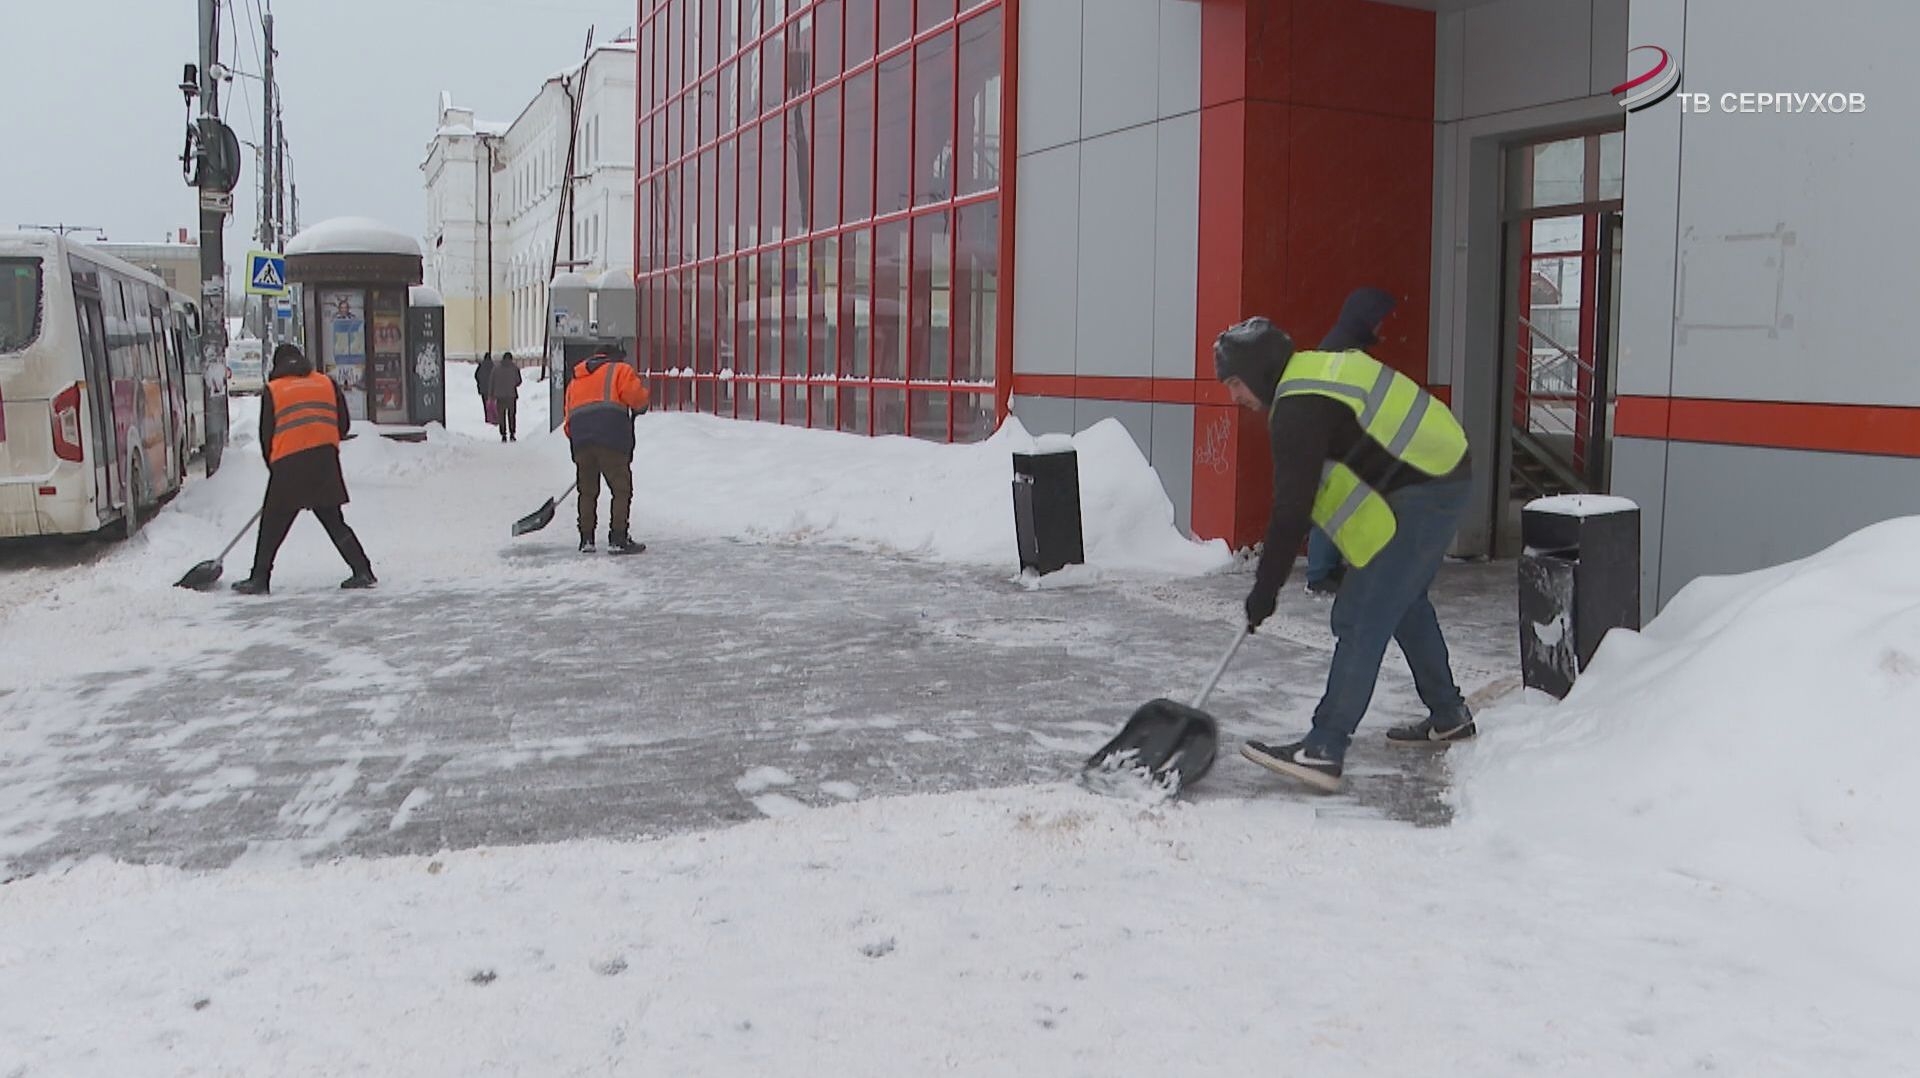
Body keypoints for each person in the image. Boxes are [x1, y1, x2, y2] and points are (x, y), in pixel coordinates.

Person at [1213, 316, 1474, 792]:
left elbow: (1290, 511)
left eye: (1234, 383)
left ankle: (1325, 747)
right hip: (1438, 470)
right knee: (1404, 602)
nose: (1234, 397)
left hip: (1428, 484)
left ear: (1257, 371)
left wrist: (1264, 593)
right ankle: (1449, 714)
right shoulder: (1309, 376)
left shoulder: (1298, 406)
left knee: (1362, 613)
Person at [231, 344, 376, 595]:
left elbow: (267, 435)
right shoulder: (325, 383)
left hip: (288, 466)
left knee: (272, 525)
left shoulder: (274, 390)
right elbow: (343, 424)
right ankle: (362, 569)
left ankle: (259, 579)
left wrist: (274, 469)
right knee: (334, 521)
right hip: (324, 463)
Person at [1306, 287, 1400, 597]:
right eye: (1378, 320)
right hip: (1331, 440)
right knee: (1334, 504)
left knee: (1338, 503)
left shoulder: (1340, 346)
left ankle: (1327, 568)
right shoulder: (1343, 353)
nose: (1381, 327)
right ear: (1365, 320)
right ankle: (1320, 573)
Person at [564, 343, 651, 554]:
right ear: (615, 357)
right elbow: (638, 401)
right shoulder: (619, 370)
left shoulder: (576, 379)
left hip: (581, 442)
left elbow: (568, 422)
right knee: (621, 489)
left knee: (587, 491)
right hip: (611, 439)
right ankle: (618, 538)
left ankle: (586, 539)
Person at [492, 351, 524, 441]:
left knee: (501, 416)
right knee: (512, 415)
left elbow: (492, 382)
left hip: (500, 396)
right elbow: (519, 381)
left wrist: (491, 395)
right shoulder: (514, 368)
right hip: (511, 396)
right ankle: (512, 433)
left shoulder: (496, 369)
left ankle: (503, 434)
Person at [475, 353, 495, 423]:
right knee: (492, 402)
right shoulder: (493, 366)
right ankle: (492, 417)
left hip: (483, 388)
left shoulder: (481, 366)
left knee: (485, 402)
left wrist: (479, 382)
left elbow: (476, 375)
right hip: (492, 388)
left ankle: (487, 416)